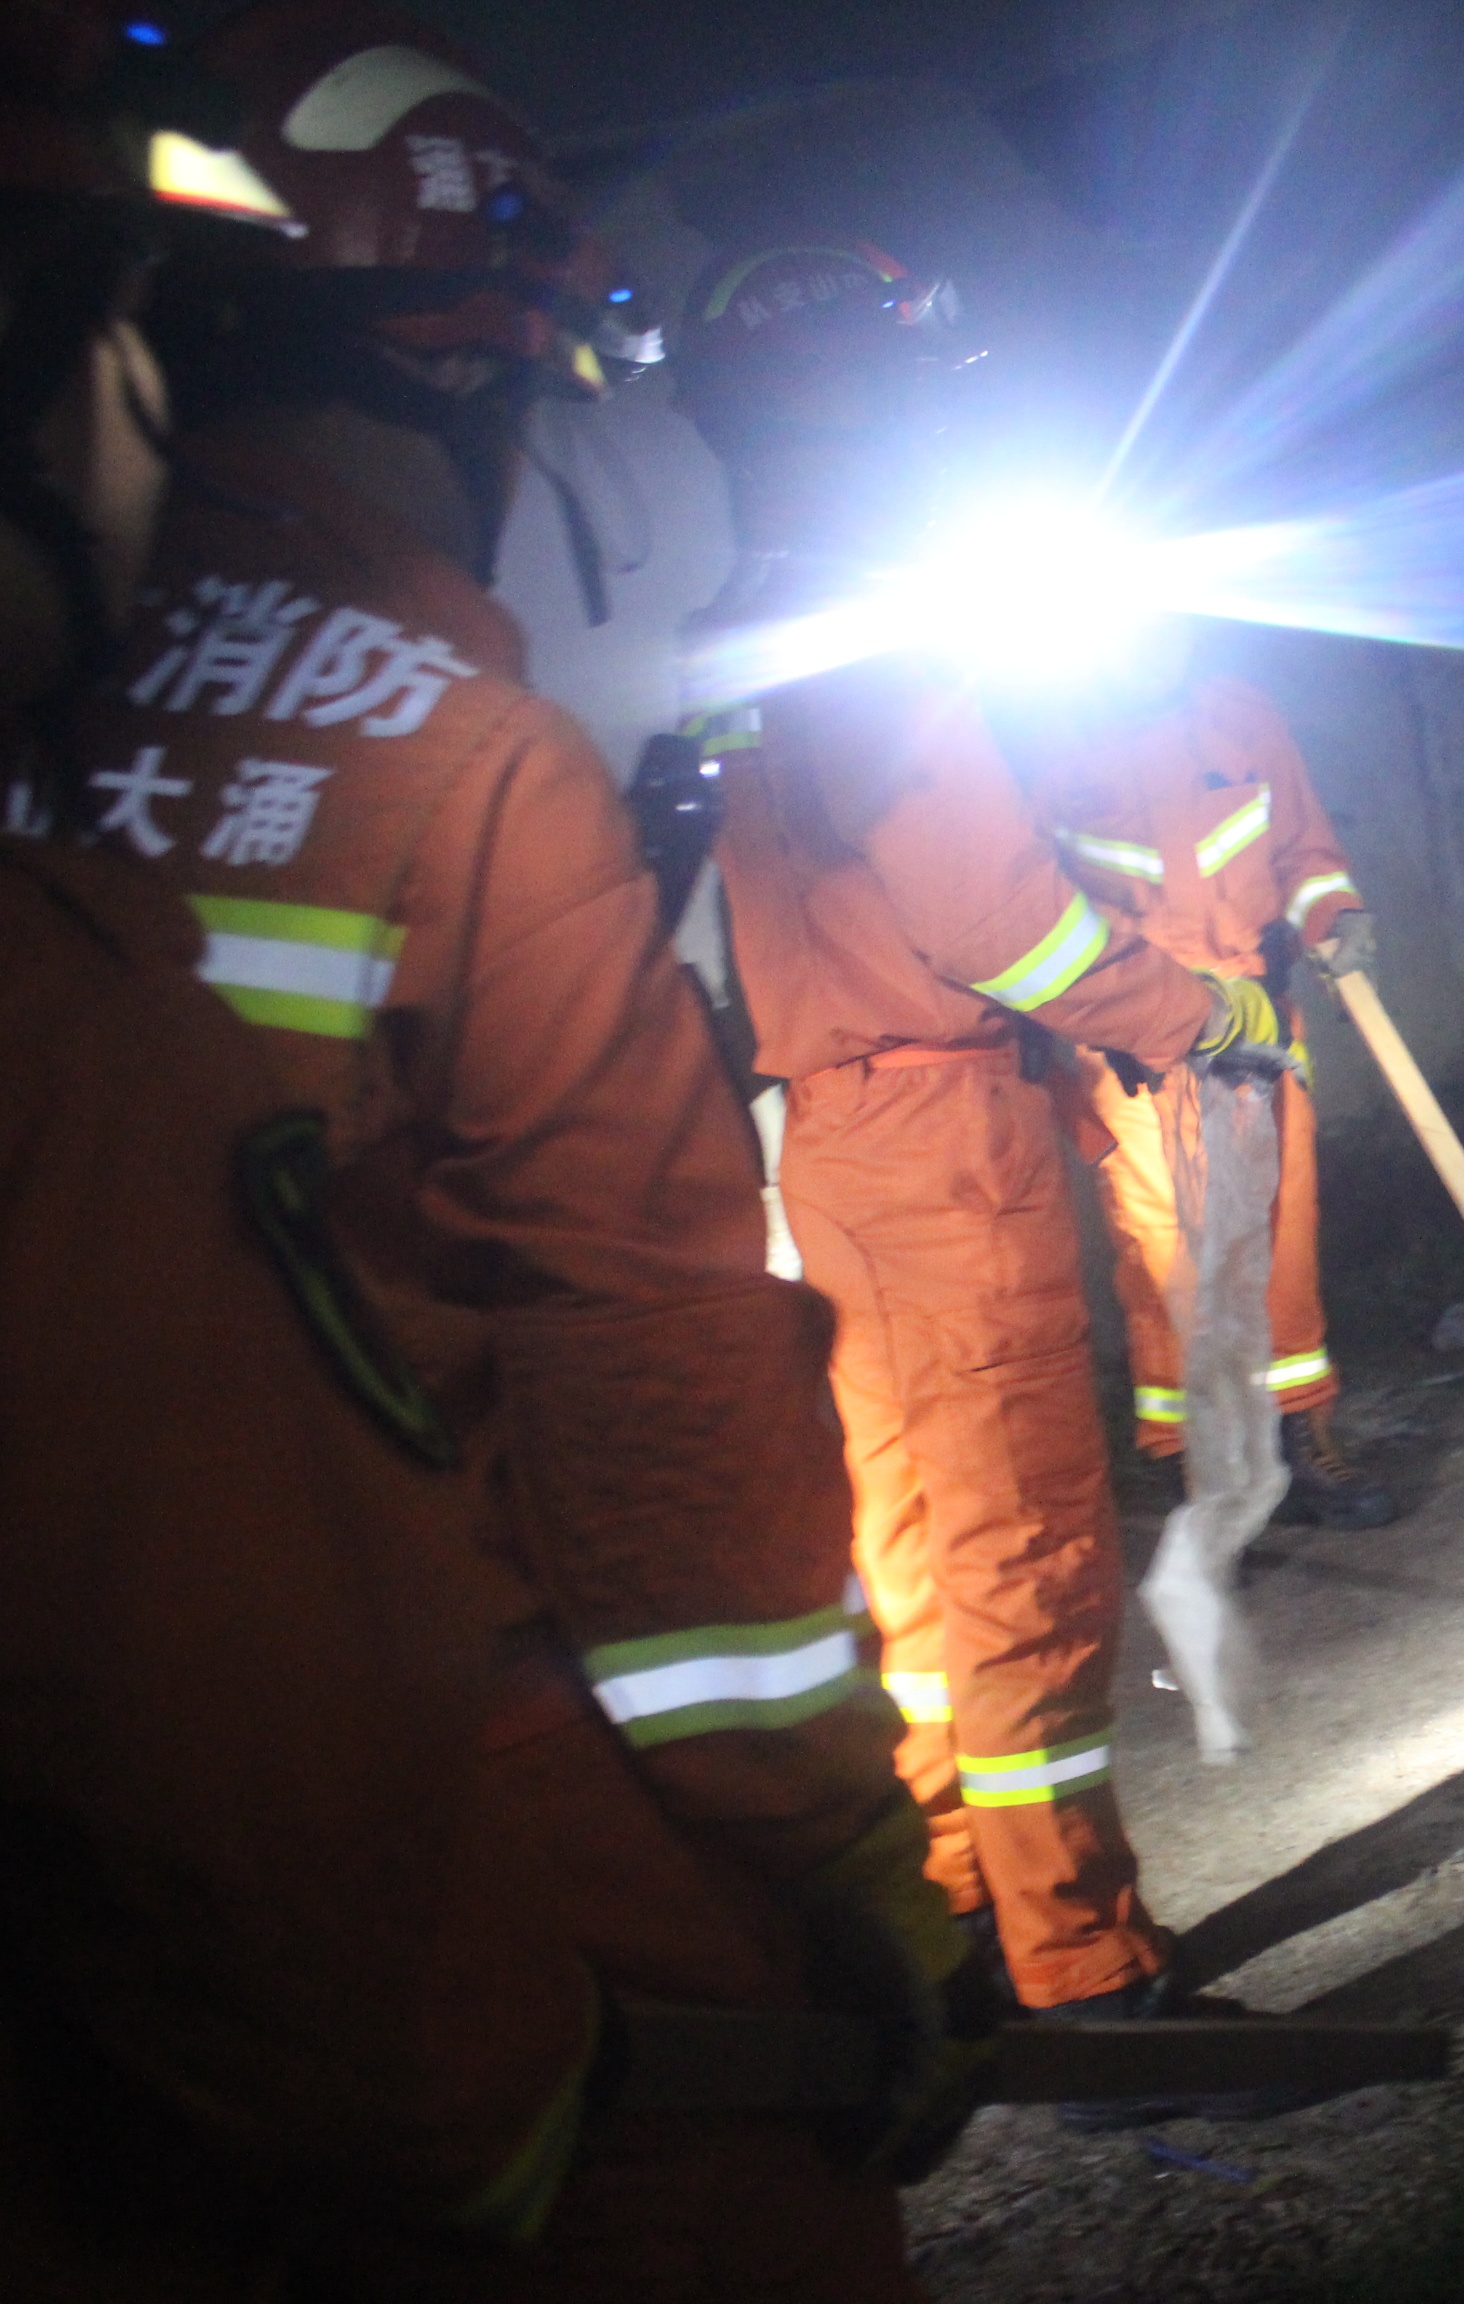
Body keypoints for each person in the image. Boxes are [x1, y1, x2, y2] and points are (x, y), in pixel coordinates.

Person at [74, 6, 980, 2290]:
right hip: (477, 1773)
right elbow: (647, 1370)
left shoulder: (58, 726)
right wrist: (836, 1846)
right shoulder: (466, 765)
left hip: (110, 1802)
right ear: (486, 380)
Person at [1, 11, 606, 2284]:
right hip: (382, 1934)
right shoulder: (452, 761)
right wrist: (480, 2105)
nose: (140, 412)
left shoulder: (98, 802)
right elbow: (224, 1685)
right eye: (104, 344)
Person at [671, 237, 1276, 2066]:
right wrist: (1195, 1014)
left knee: (923, 1560)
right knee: (1023, 1552)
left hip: (839, 1139)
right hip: (942, 1138)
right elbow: (997, 918)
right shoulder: (871, 625)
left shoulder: (747, 621)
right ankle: (1083, 1969)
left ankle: (957, 1919)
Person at [1025, 666, 1402, 1526]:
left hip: (1257, 1017)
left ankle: (1300, 1438)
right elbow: (1029, 904)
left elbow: (1302, 852)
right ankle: (1201, 1463)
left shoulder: (1237, 711)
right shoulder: (1048, 741)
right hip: (1135, 1036)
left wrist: (1335, 916)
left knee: (1281, 1237)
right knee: (1171, 1256)